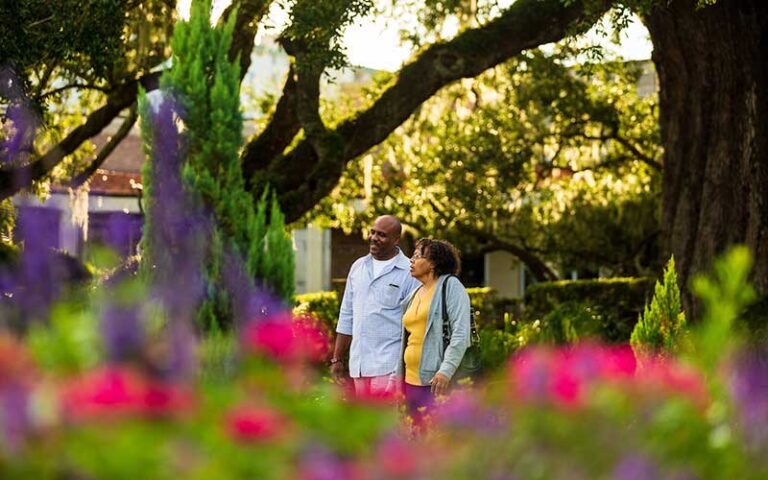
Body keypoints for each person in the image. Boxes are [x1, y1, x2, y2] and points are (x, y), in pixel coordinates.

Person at [331, 215, 420, 398]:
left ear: (396, 239)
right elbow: (347, 315)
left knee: (385, 424)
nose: (373, 238)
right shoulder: (358, 267)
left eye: (382, 235)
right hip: (359, 366)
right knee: (365, 424)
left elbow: (414, 325)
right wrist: (337, 358)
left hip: (389, 368)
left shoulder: (409, 272)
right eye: (372, 232)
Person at [396, 238, 470, 425]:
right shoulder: (415, 293)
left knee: (436, 439)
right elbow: (407, 337)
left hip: (436, 381)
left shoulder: (451, 287)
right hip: (410, 379)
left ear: (433, 263)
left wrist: (445, 371)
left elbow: (460, 334)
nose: (411, 260)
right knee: (415, 437)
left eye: (418, 255)